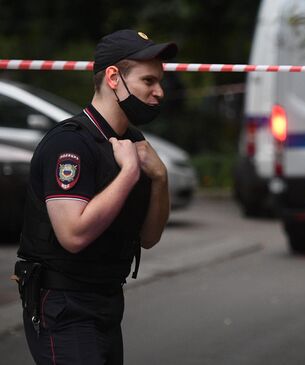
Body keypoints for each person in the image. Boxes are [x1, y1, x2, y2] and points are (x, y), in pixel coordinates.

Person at [14, 29, 176, 364]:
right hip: (63, 305)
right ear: (114, 78)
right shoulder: (70, 144)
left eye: (160, 82)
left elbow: (149, 237)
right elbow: (72, 235)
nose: (159, 92)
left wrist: (159, 179)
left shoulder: (133, 142)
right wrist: (129, 174)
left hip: (106, 301)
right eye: (148, 81)